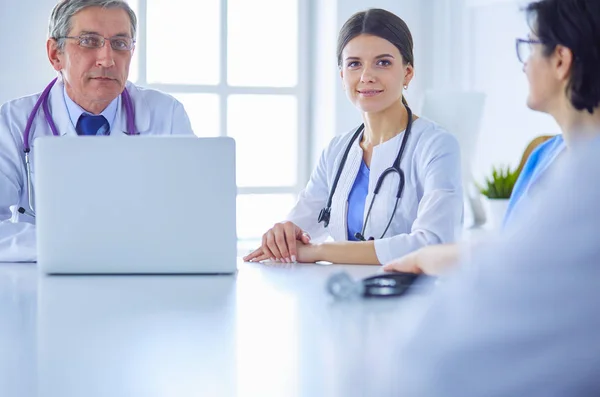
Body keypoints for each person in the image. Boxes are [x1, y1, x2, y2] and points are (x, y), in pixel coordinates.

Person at [384, 0, 600, 276]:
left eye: (530, 47)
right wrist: (426, 258)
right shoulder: (542, 157)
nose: (524, 65)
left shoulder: (589, 179)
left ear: (560, 60)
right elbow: (514, 256)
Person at [244, 8, 463, 266]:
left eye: (383, 62)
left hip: (411, 298)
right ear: (342, 76)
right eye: (354, 64)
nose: (366, 76)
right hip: (342, 296)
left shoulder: (436, 145)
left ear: (408, 73)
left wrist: (322, 251)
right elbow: (297, 232)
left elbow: (433, 244)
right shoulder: (337, 151)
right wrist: (282, 235)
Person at [0, 0, 194, 262]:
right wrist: (74, 247)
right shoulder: (14, 121)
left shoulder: (166, 114)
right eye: (89, 41)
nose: (107, 59)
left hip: (141, 282)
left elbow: (194, 218)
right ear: (55, 54)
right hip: (43, 284)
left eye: (120, 43)